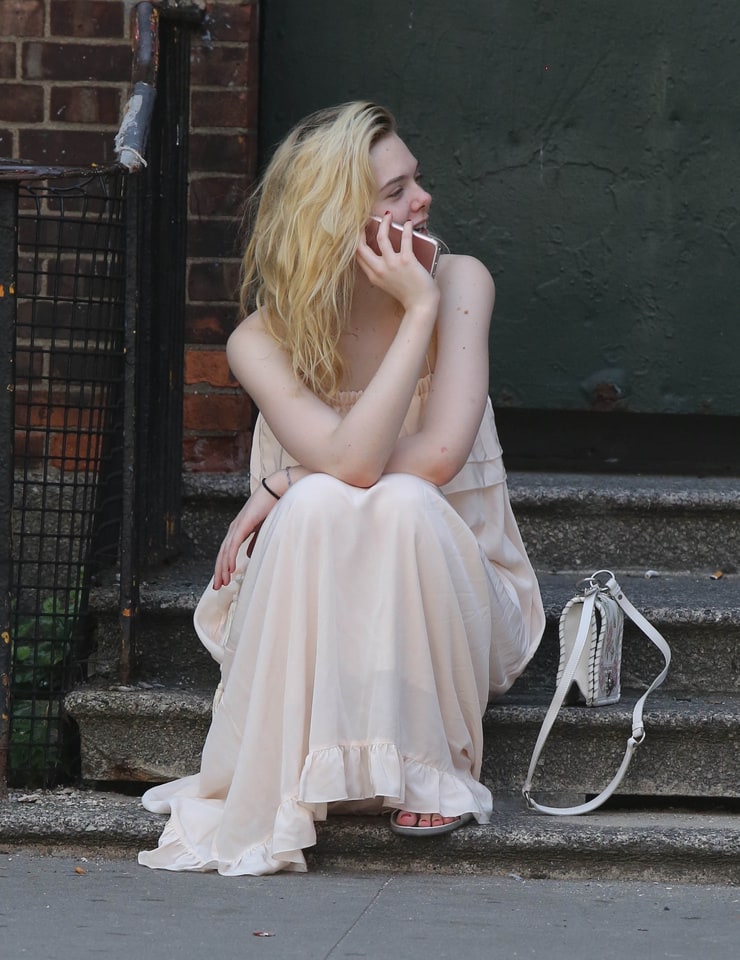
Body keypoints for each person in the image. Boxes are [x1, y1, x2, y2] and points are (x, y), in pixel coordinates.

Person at [138, 101, 545, 876]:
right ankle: (329, 771)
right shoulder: (262, 339)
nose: (422, 199)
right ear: (335, 219)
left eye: (414, 180)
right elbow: (350, 469)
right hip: (309, 607)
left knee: (401, 499)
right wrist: (310, 482)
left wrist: (289, 475)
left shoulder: (460, 282)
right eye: (395, 192)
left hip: (462, 601)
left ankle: (430, 769)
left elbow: (437, 457)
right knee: (328, 499)